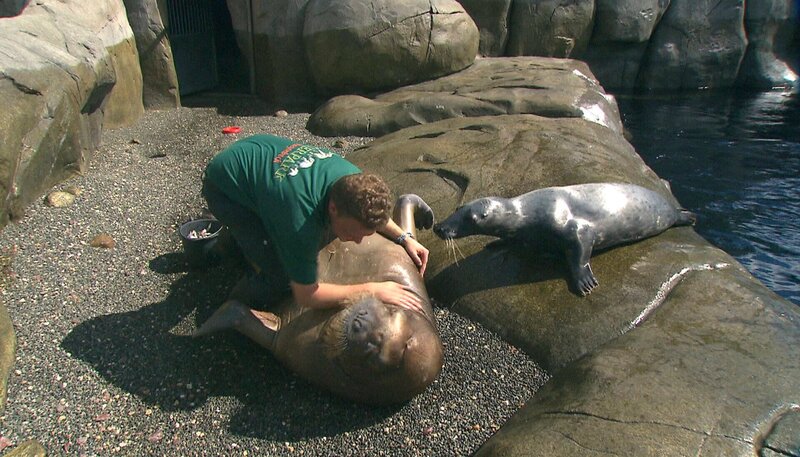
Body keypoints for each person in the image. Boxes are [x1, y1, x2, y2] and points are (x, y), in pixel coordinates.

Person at [202, 134, 429, 314]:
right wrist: (373, 290)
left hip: (258, 151)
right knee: (280, 278)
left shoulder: (353, 180)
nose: (359, 240)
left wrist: (404, 238)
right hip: (223, 187)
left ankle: (237, 239)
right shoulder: (299, 220)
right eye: (352, 232)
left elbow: (375, 216)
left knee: (276, 226)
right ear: (333, 208)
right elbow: (306, 295)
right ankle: (231, 306)